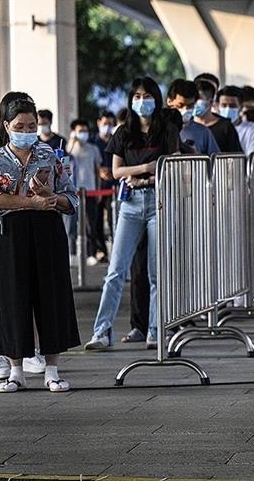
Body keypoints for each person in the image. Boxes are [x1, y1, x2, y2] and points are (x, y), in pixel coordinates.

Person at [0, 95, 80, 392]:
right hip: (11, 230)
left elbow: (70, 197)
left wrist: (50, 197)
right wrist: (29, 202)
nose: (27, 130)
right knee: (11, 299)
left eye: (32, 125)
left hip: (47, 228)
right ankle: (15, 370)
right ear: (7, 126)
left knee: (51, 296)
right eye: (20, 125)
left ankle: (53, 370)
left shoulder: (49, 153)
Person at [84, 76, 180, 350]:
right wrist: (147, 169)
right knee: (115, 270)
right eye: (136, 96)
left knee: (156, 272)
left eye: (146, 96)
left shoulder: (167, 129)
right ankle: (101, 331)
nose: (142, 101)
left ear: (156, 98)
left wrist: (146, 177)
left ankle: (154, 330)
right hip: (130, 204)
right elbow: (116, 171)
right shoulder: (123, 132)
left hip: (159, 201)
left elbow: (172, 163)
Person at [65, 119, 104, 261]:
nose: (83, 134)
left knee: (90, 224)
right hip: (73, 191)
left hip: (90, 190)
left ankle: (91, 253)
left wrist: (98, 190)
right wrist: (72, 142)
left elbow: (97, 171)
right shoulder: (70, 149)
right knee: (72, 225)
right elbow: (66, 160)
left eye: (85, 131)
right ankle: (72, 253)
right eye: (80, 131)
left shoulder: (93, 149)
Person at [88, 111, 117, 263]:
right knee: (96, 220)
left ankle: (115, 250)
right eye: (105, 123)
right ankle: (101, 251)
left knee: (114, 219)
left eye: (111, 124)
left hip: (114, 186)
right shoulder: (92, 142)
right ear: (99, 123)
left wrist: (113, 171)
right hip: (97, 187)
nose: (108, 127)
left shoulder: (116, 140)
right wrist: (100, 171)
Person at [166, 78, 220, 155]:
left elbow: (216, 163)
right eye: (180, 105)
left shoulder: (203, 132)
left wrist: (195, 155)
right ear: (169, 101)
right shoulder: (157, 129)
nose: (185, 110)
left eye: (190, 106)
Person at [193, 80, 242, 153]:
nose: (194, 102)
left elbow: (235, 158)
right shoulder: (185, 125)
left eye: (199, 98)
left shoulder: (226, 127)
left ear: (211, 102)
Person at [217, 85, 254, 156]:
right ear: (218, 106)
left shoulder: (252, 130)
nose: (228, 109)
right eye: (224, 105)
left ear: (241, 107)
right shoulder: (212, 129)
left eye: (232, 106)